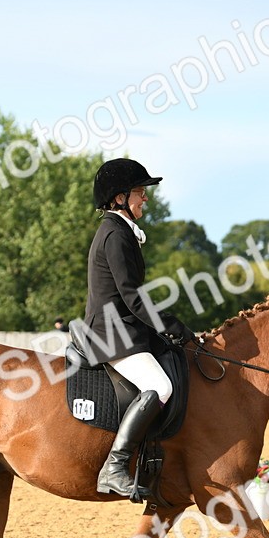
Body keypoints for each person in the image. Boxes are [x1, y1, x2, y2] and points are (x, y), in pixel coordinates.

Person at [84, 157, 198, 499]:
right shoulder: (115, 234)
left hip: (124, 330)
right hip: (111, 335)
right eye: (139, 192)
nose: (144, 198)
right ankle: (114, 467)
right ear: (119, 197)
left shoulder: (121, 231)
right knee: (160, 385)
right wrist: (172, 327)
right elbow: (132, 296)